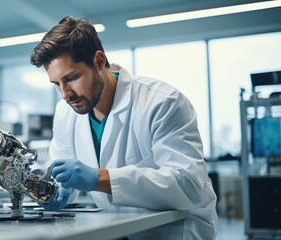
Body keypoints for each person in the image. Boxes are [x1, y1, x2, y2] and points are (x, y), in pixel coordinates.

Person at [30, 16, 218, 239]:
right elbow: (59, 166)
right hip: (117, 228)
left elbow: (188, 185)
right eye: (56, 84)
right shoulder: (65, 112)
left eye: (71, 78)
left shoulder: (163, 102)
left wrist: (100, 178)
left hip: (173, 232)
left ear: (99, 61)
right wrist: (58, 190)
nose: (65, 94)